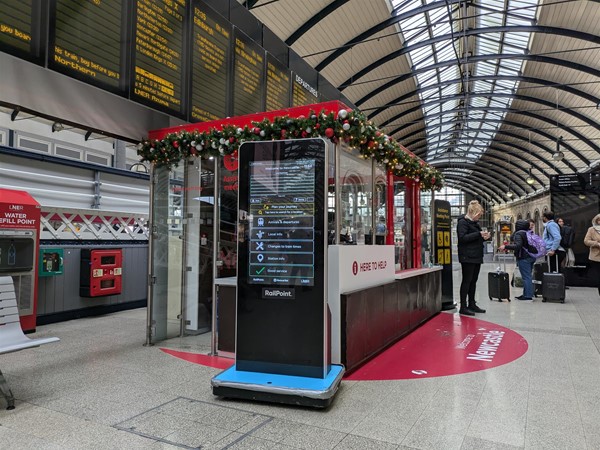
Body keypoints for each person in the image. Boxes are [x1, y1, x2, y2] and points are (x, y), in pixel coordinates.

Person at [456, 200, 491, 316]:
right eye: (479, 214)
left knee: (473, 281)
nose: (480, 217)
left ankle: (472, 303)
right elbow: (463, 238)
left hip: (476, 255)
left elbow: (475, 237)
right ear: (474, 212)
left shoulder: (475, 223)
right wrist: (479, 234)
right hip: (467, 256)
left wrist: (484, 237)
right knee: (467, 280)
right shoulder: (463, 222)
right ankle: (463, 306)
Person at [499, 219, 536, 301]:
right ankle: (526, 294)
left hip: (524, 257)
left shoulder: (519, 234)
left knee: (526, 277)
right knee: (528, 276)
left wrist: (505, 246)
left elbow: (518, 245)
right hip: (531, 256)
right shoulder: (529, 232)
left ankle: (528, 295)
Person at [583, 213, 600, 296]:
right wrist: (596, 244)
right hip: (596, 256)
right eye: (599, 220)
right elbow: (586, 241)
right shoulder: (591, 229)